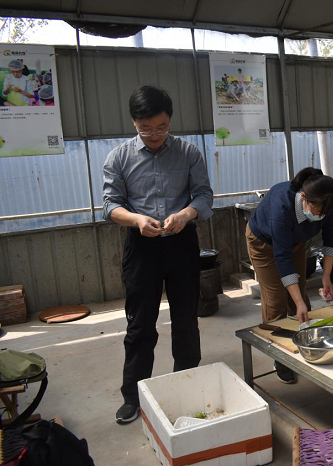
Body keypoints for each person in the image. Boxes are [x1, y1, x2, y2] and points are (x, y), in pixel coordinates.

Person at [103, 85, 213, 425]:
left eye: (161, 127)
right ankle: (133, 396)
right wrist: (136, 220)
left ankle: (186, 384)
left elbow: (204, 195)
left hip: (181, 243)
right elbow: (110, 205)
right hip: (142, 247)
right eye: (145, 128)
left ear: (170, 120)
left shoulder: (188, 152)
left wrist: (186, 214)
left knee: (186, 320)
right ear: (134, 122)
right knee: (140, 325)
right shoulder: (119, 157)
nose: (154, 134)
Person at [246, 167, 333, 384]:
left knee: (300, 297)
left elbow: (330, 240)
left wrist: (326, 276)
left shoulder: (327, 205)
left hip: (296, 242)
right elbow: (282, 259)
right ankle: (279, 355)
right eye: (317, 211)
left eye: (325, 213)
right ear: (304, 198)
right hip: (263, 244)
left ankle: (304, 342)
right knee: (276, 300)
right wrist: (298, 302)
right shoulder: (282, 207)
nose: (320, 216)